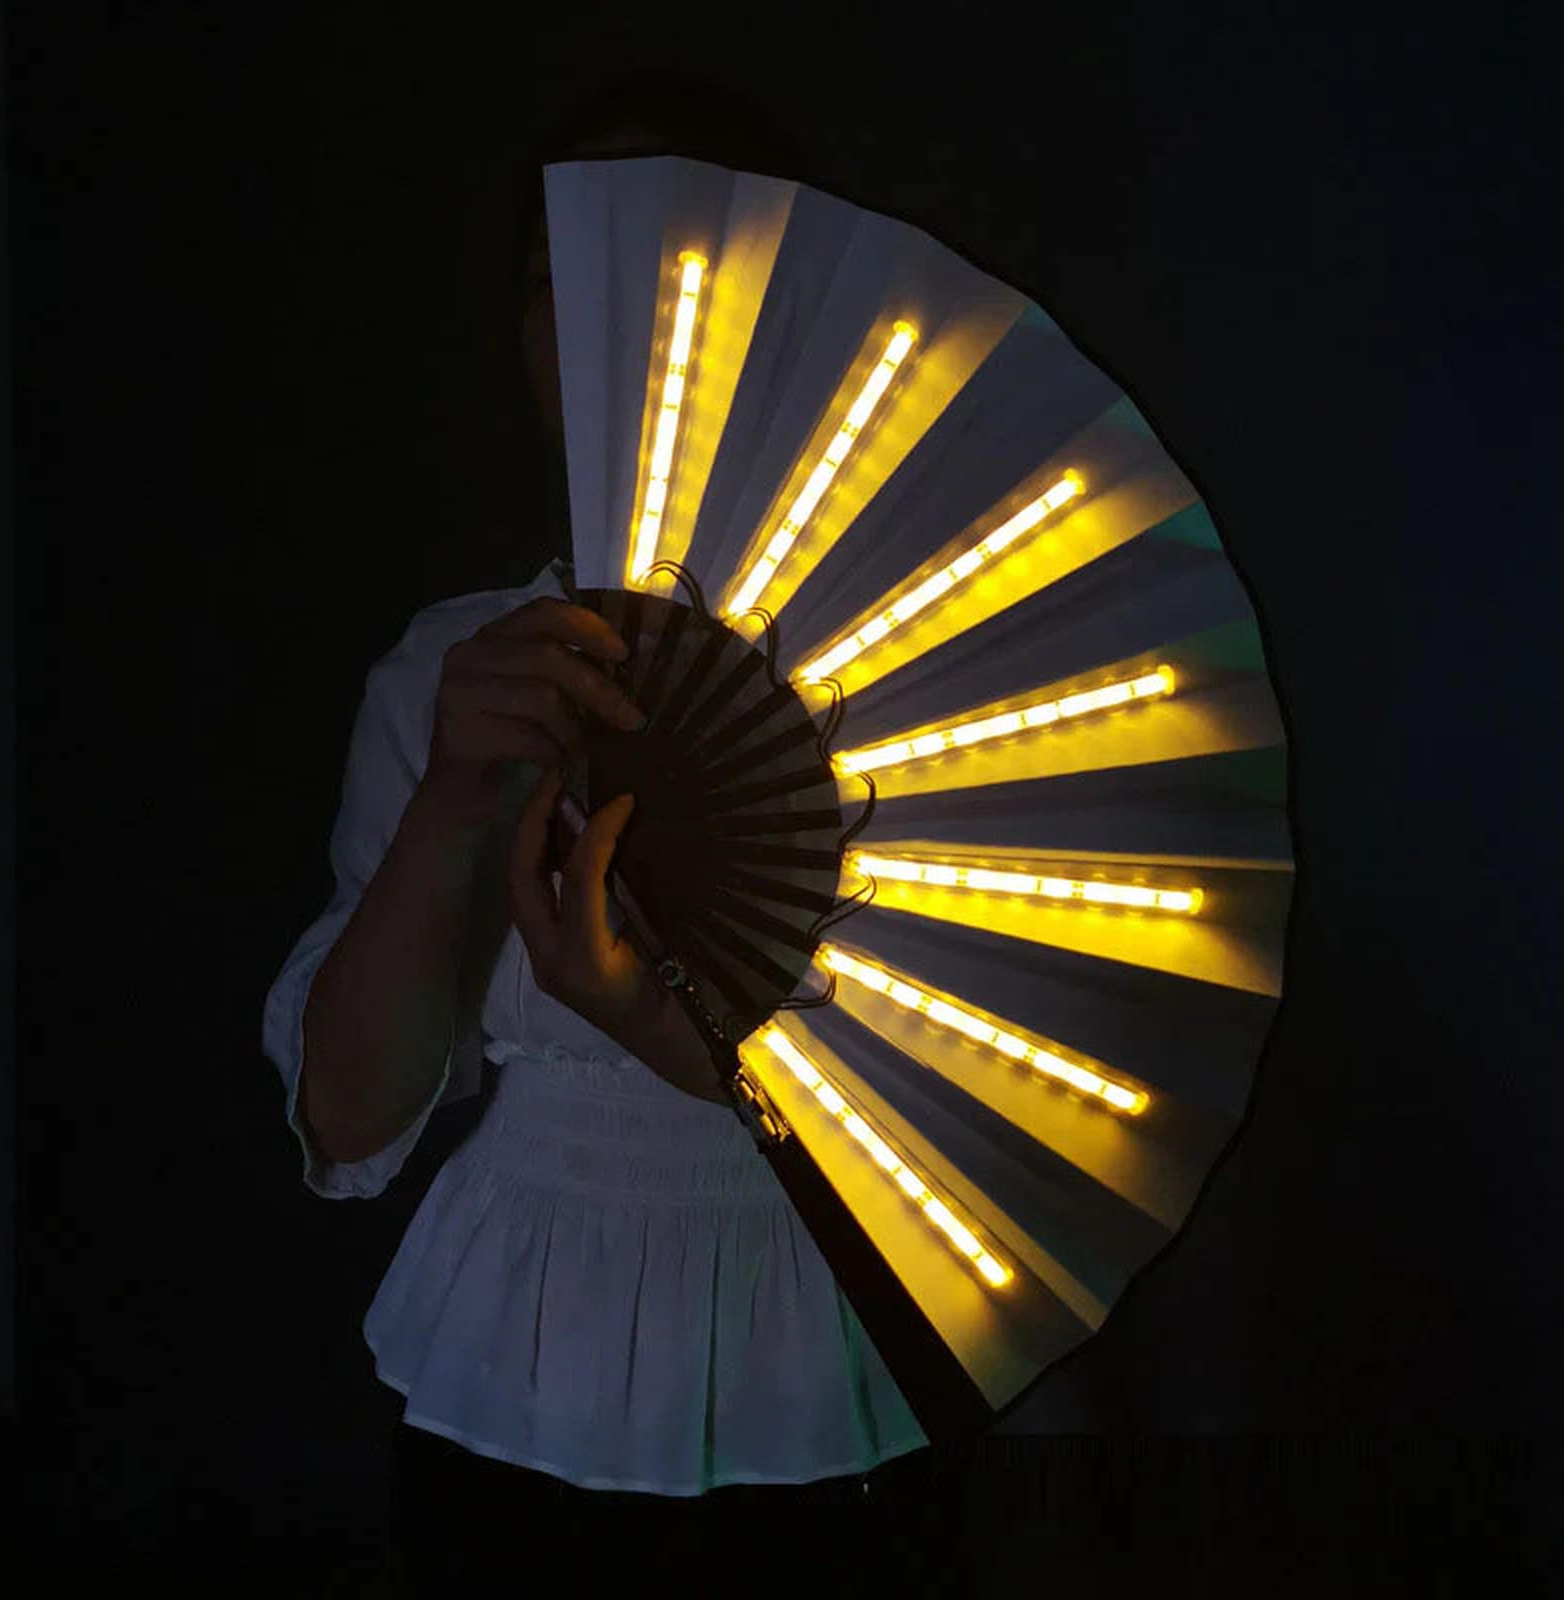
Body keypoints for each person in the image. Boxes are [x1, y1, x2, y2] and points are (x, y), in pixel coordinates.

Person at [261, 66, 965, 1593]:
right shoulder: (447, 675)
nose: (589, 311)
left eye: (656, 262)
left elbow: (958, 1122)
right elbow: (349, 1119)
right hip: (505, 1383)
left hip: (836, 1376)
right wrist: (455, 796)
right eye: (549, 275)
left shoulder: (927, 677)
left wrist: (665, 1024)